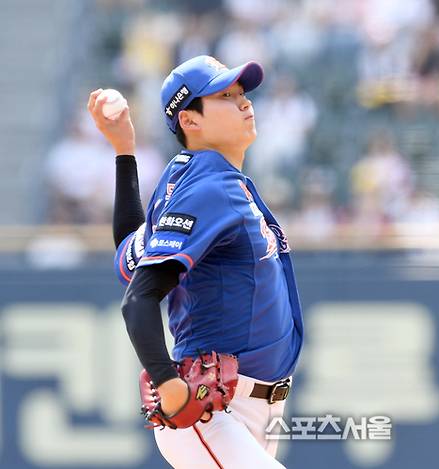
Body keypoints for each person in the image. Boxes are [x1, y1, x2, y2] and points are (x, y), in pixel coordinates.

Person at [88, 55, 304, 468]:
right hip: (212, 412)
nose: (244, 103)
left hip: (247, 411)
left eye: (242, 93)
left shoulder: (185, 177)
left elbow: (130, 251)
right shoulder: (209, 187)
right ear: (191, 121)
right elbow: (139, 297)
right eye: (226, 95)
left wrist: (124, 151)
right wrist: (168, 383)